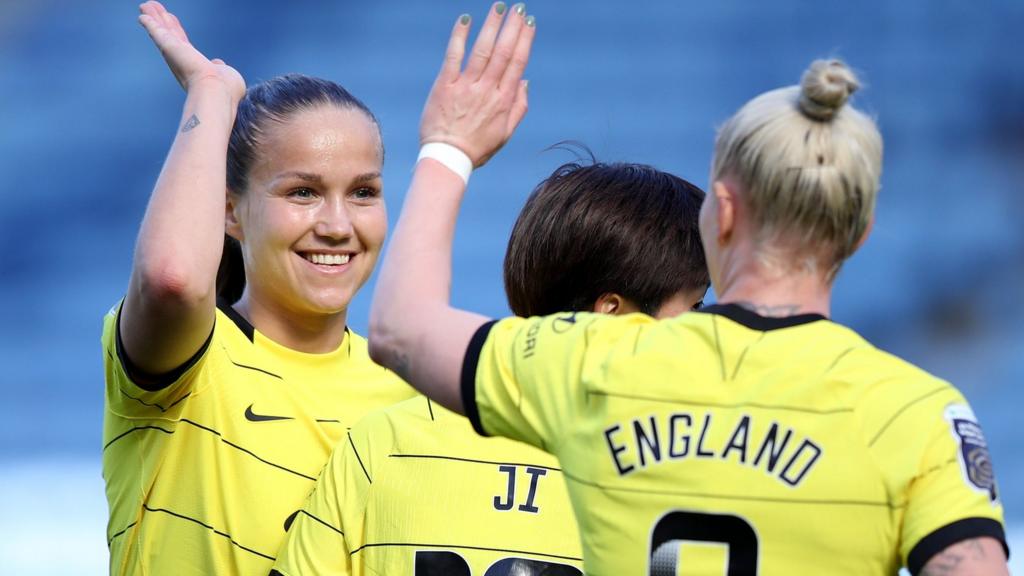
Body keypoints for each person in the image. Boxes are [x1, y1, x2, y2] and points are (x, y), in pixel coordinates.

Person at [367, 33, 1010, 576]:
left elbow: (398, 328)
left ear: (722, 214)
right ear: (859, 234)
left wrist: (448, 145)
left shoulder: (597, 358)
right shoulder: (917, 412)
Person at [271, 141, 709, 574]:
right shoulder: (688, 470)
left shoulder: (384, 441)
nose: (711, 331)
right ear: (611, 316)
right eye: (695, 308)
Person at [101, 2, 416, 574]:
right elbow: (172, 278)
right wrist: (211, 93)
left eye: (364, 192)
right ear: (230, 212)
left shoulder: (408, 397)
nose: (338, 225)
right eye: (302, 192)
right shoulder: (191, 359)